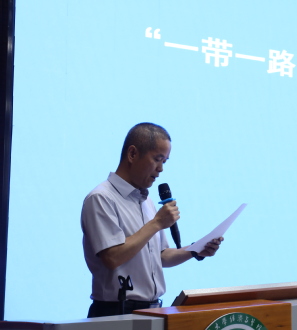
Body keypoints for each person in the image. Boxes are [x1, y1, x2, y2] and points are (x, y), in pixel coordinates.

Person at [81, 122, 223, 318]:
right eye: (157, 159)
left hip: (152, 310)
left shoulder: (146, 201)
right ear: (132, 154)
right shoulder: (101, 198)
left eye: (165, 161)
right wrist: (156, 223)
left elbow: (161, 256)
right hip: (115, 312)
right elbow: (112, 257)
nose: (161, 168)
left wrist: (195, 250)